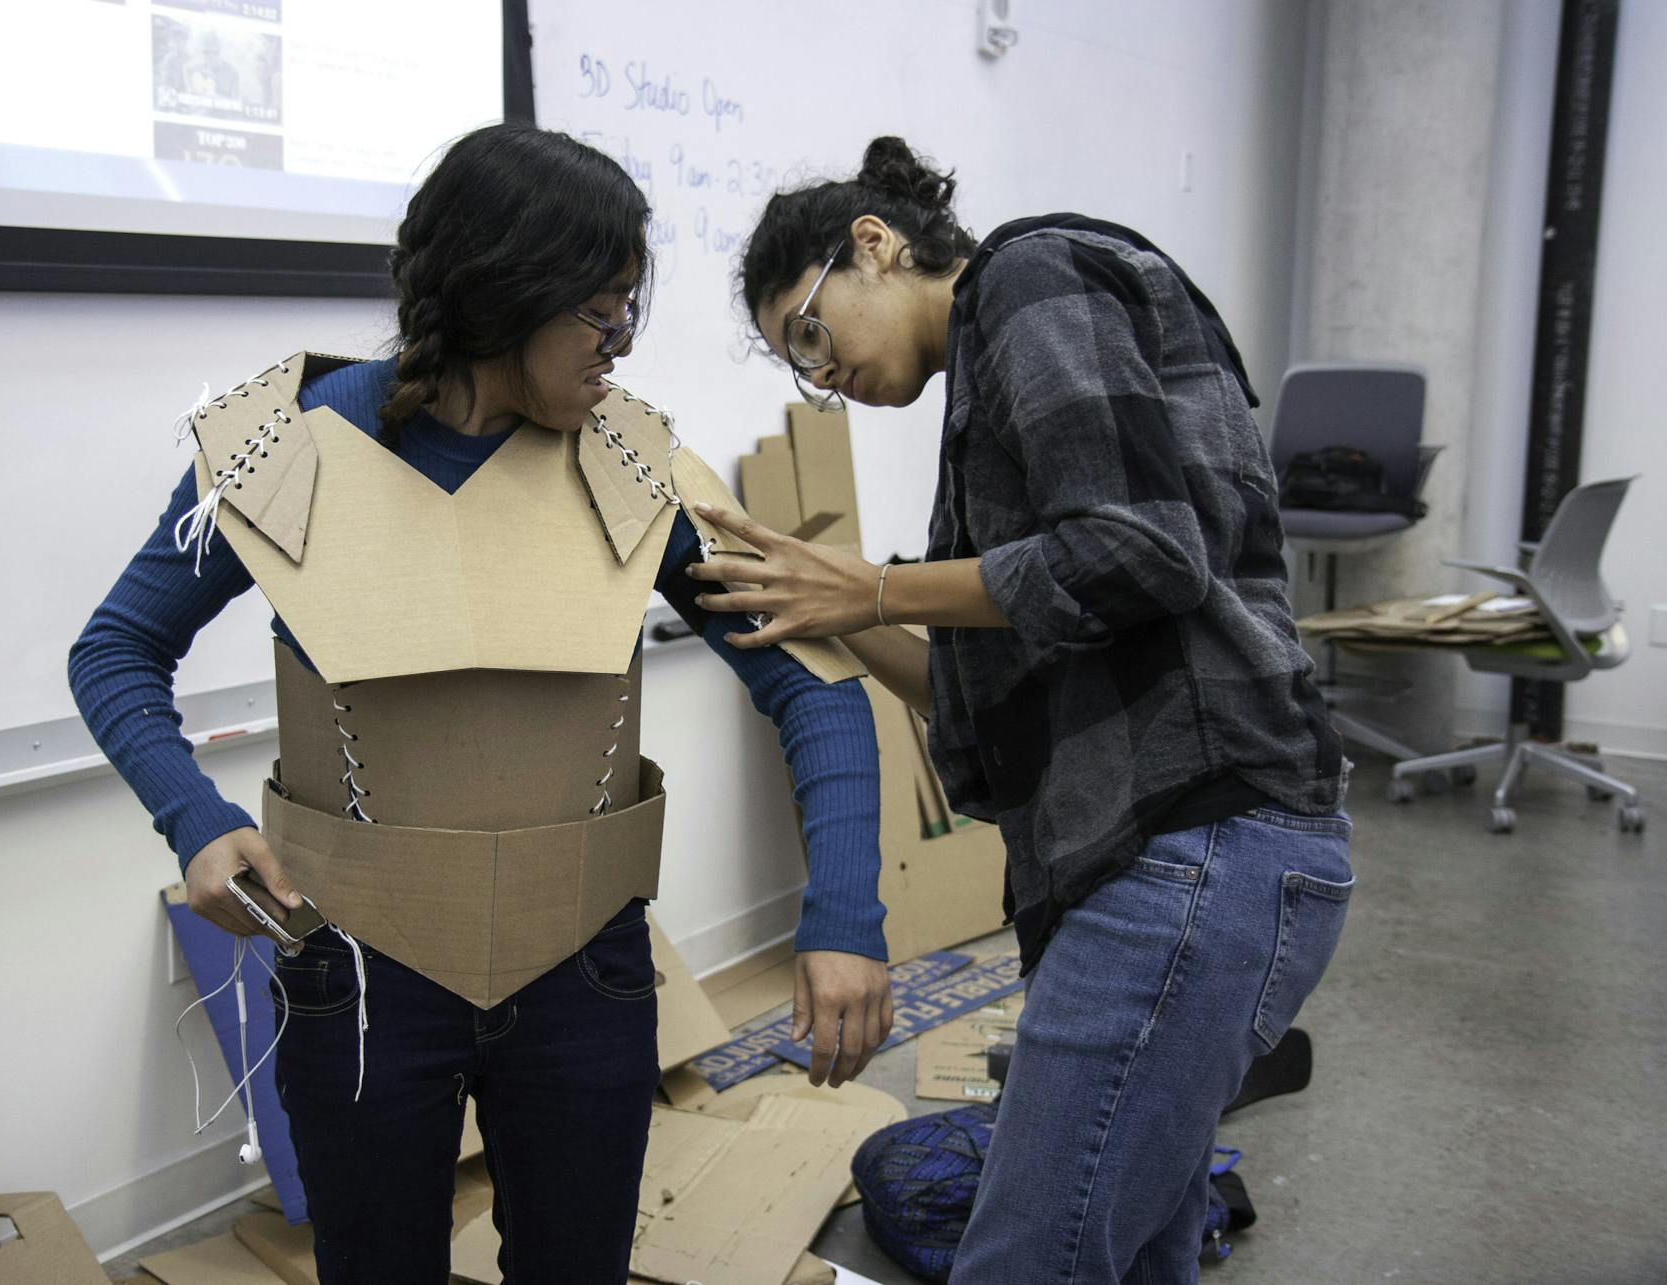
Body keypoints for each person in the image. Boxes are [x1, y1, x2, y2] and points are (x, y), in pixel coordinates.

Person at [68, 123, 893, 1284]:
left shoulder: (634, 464)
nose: (619, 346)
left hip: (584, 972)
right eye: (602, 313)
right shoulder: (284, 450)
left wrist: (843, 915)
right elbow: (112, 653)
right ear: (509, 294)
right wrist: (194, 824)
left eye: (628, 315)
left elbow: (813, 687)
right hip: (353, 972)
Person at [688, 136, 1353, 1284]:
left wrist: (874, 584)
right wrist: (832, 607)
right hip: (1163, 851)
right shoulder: (986, 392)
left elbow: (1139, 554)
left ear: (873, 246)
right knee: (1138, 1253)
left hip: (1190, 842)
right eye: (796, 365)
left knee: (1022, 1259)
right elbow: (972, 679)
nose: (818, 373)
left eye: (807, 331)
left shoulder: (1031, 276)